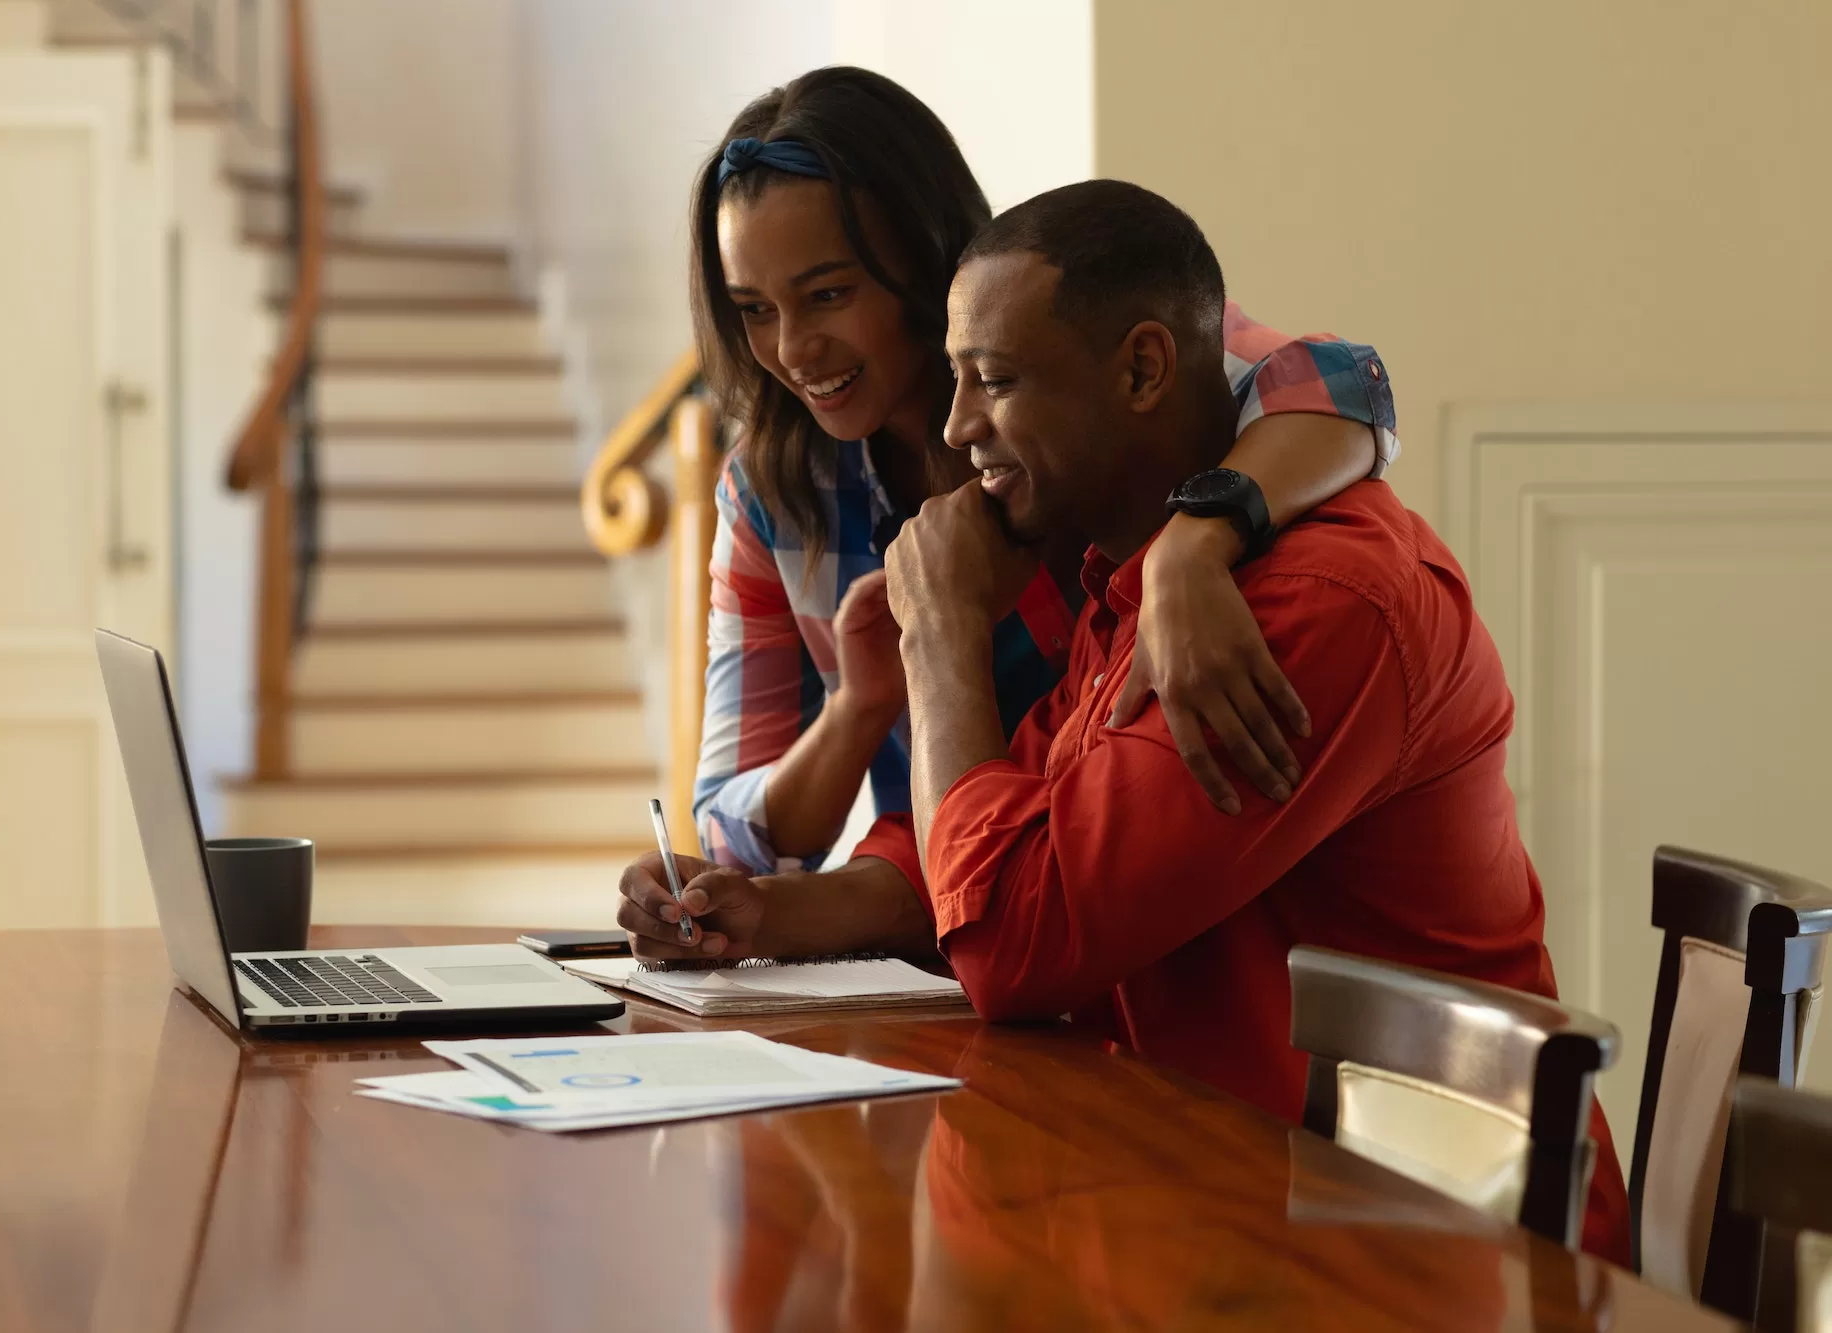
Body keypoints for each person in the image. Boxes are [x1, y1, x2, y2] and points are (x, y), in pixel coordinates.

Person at [621, 179, 1631, 1262]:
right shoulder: (1147, 584)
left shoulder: (1304, 607)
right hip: (1229, 1200)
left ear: (1143, 370)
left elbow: (1007, 941)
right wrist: (764, 915)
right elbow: (996, 851)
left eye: (994, 380)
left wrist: (943, 635)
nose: (956, 430)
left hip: (1427, 1262)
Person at [685, 67, 1397, 876]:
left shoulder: (1080, 361)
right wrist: (859, 705)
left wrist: (1191, 545)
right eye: (754, 309)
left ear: (923, 254)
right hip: (962, 906)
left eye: (828, 294)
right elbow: (731, 836)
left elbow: (1344, 385)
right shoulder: (772, 494)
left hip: (1169, 880)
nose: (791, 349)